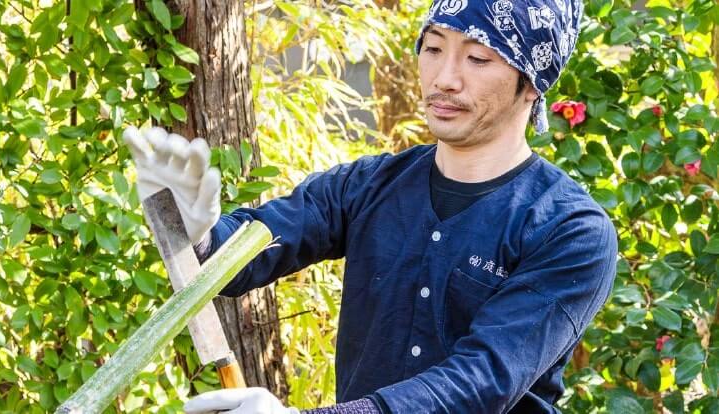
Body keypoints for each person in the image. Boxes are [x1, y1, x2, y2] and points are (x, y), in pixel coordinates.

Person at [123, 0, 617, 412]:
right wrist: (198, 234)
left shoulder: (570, 230)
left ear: (531, 82)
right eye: (433, 48)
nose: (444, 79)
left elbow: (481, 383)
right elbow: (251, 253)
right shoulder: (369, 185)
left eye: (478, 58)